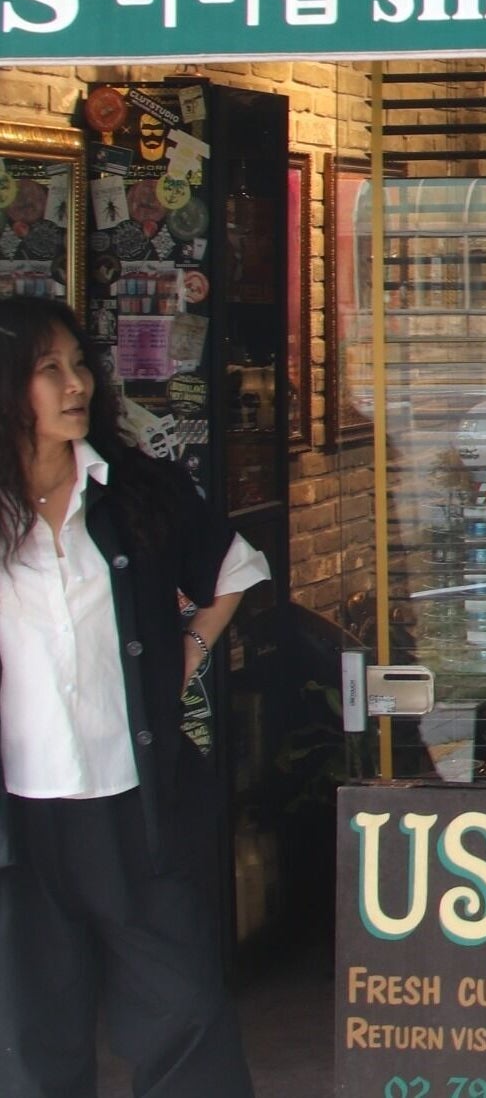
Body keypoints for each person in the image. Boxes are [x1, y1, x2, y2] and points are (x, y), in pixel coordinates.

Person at [0, 298, 270, 1097]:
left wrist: (184, 654)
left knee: (182, 1016)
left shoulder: (131, 491)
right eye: (49, 370)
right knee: (31, 1039)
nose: (75, 383)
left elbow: (233, 570)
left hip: (136, 809)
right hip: (23, 821)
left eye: (79, 364)